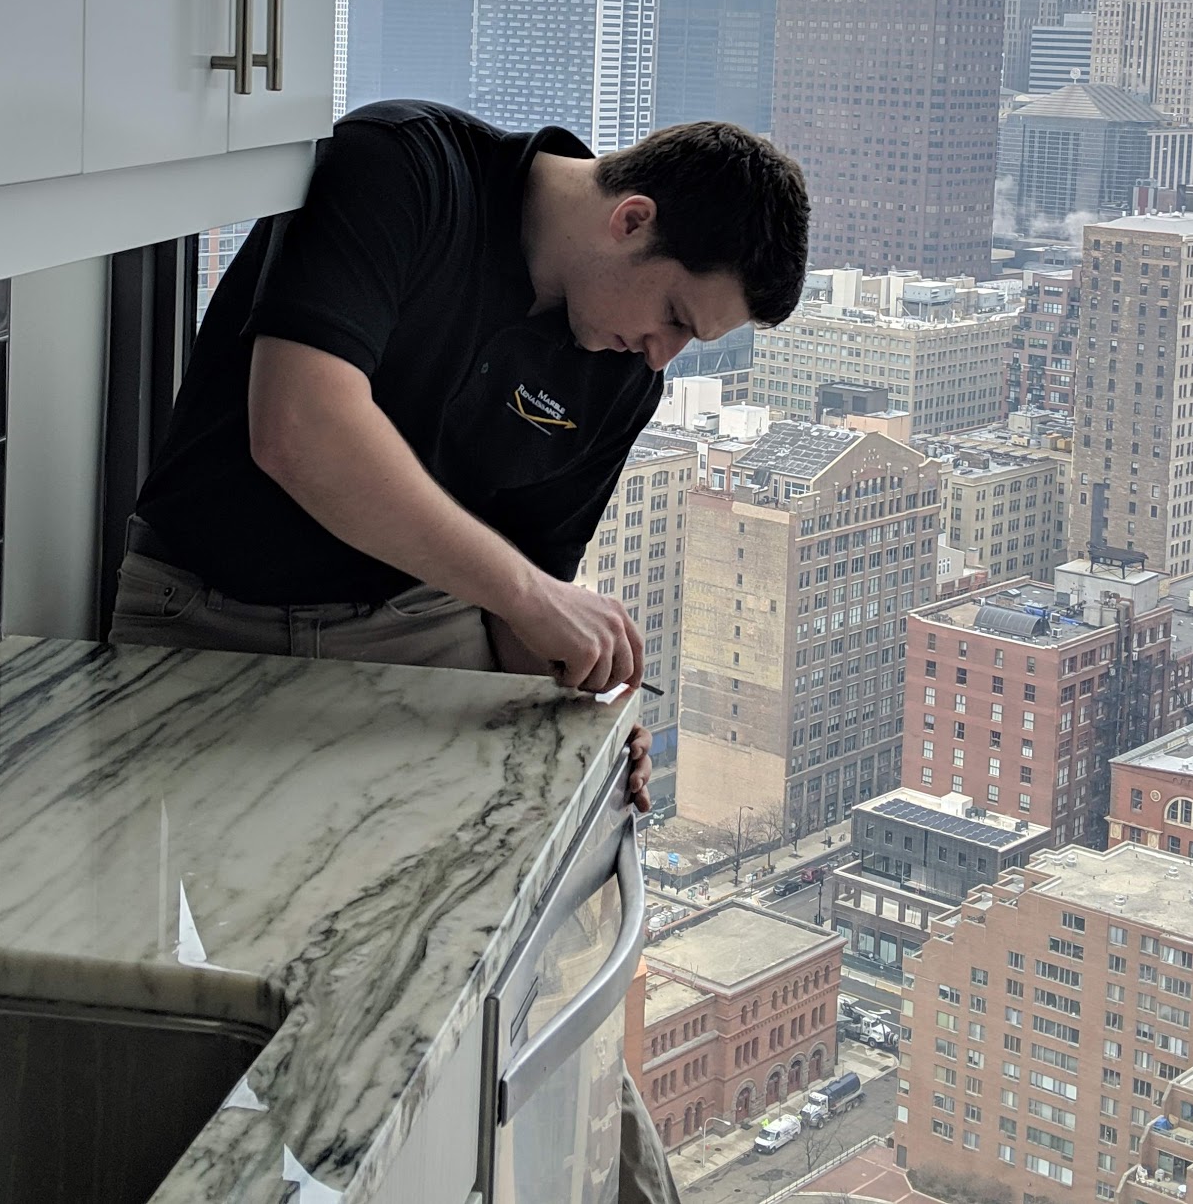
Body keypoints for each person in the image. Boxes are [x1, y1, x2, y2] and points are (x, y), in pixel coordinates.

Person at [110, 98, 810, 1203]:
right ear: (629, 219)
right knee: (276, 1004)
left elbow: (517, 608)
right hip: (205, 631)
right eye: (673, 315)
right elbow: (296, 426)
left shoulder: (617, 374)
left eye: (686, 341)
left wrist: (586, 725)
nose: (662, 353)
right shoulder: (405, 168)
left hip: (418, 634)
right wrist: (531, 596)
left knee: (491, 978)